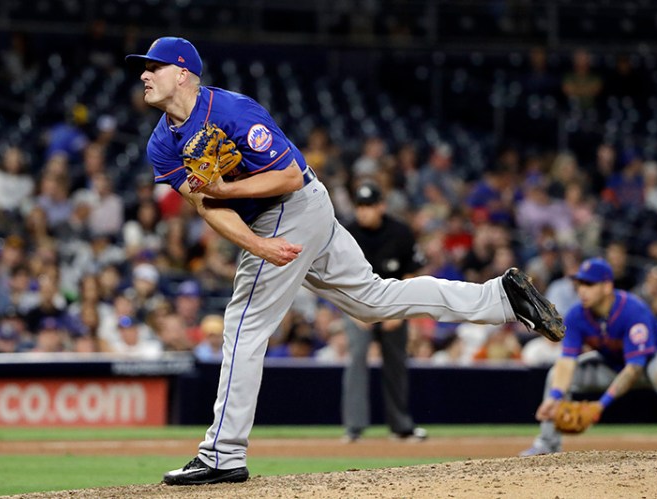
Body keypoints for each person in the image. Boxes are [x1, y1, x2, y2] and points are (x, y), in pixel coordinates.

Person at [125, 36, 565, 486]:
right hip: (280, 220)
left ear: (183, 73)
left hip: (293, 204)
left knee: (242, 324)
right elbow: (205, 207)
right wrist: (256, 244)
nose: (143, 74)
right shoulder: (162, 143)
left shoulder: (233, 111)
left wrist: (227, 192)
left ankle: (222, 453)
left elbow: (288, 175)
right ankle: (501, 299)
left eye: (152, 67)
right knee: (373, 300)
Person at [520, 257, 657, 456]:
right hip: (615, 364)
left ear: (607, 286)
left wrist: (600, 405)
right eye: (580, 283)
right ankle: (547, 444)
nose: (582, 289)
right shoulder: (576, 315)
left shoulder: (633, 309)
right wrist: (554, 397)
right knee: (554, 375)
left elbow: (634, 368)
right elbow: (567, 362)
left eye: (589, 284)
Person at [341, 182, 426, 443]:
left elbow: (410, 273)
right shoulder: (347, 232)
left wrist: (400, 312)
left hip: (393, 304)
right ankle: (354, 428)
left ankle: (401, 426)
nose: (363, 212)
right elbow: (338, 276)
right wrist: (353, 310)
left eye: (369, 206)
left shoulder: (400, 232)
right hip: (357, 304)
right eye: (360, 206)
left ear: (381, 206)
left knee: (397, 364)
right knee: (356, 361)